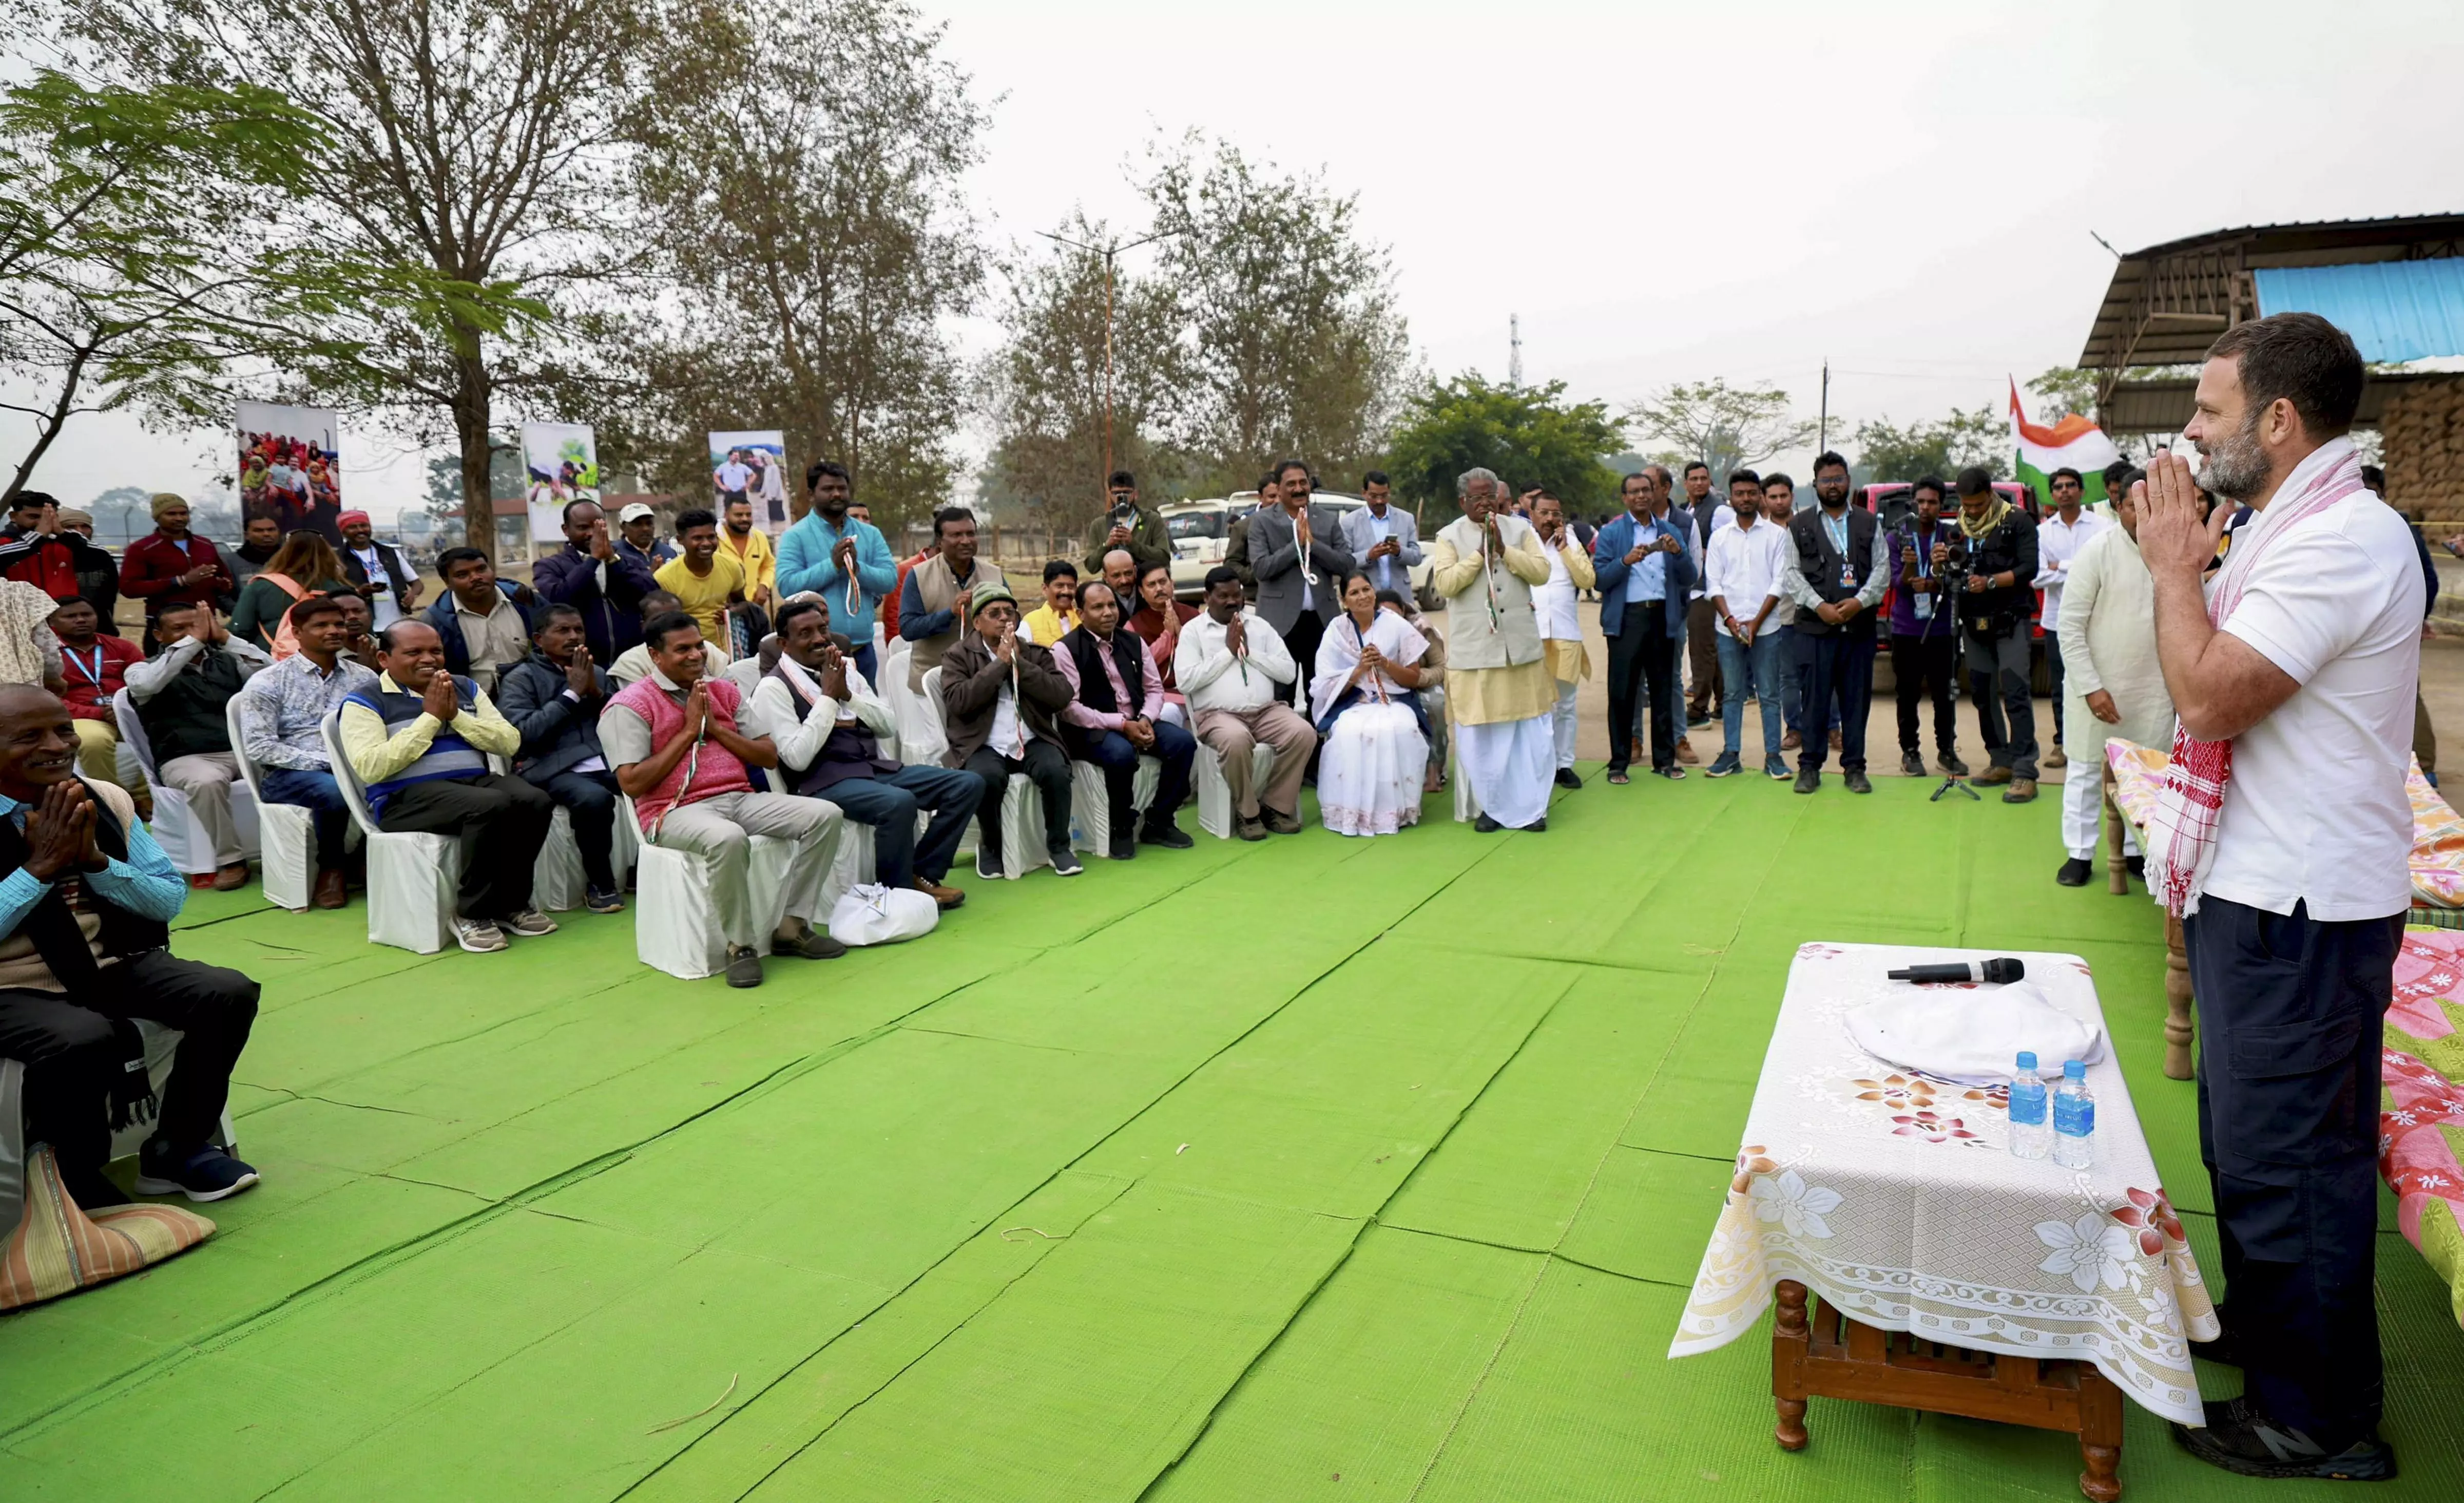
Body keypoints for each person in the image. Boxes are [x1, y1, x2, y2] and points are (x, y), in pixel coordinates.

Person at [2135, 313, 2414, 1480]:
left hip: (2300, 908)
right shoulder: (2285, 528)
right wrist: (2190, 566)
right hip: (2263, 893)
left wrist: (2167, 571)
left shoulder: (2338, 541)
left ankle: (2314, 1417)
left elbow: (2204, 698)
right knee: (2247, 1145)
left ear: (2277, 420)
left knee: (2291, 1161)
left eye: (2207, 412)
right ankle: (2269, 1346)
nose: (2192, 436)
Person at [0, 684, 261, 1206]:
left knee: (225, 990)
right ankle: (73, 1171)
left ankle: (177, 1147)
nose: (56, 745)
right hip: (9, 983)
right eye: (29, 736)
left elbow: (166, 899)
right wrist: (40, 868)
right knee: (80, 1037)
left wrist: (97, 861)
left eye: (63, 729)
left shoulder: (107, 797)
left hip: (107, 962)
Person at [606, 610, 847, 976]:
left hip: (740, 798)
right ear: (656, 656)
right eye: (682, 649)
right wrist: (688, 732)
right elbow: (633, 782)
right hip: (673, 810)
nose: (696, 656)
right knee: (728, 838)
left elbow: (768, 755)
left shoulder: (723, 690)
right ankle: (740, 945)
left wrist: (717, 730)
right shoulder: (631, 704)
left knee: (825, 815)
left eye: (699, 646)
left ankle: (792, 926)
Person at [339, 621, 557, 953]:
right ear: (384, 658)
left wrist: (456, 716)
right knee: (490, 804)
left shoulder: (465, 687)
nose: (429, 659)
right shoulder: (364, 701)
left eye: (435, 651)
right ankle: (472, 914)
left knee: (534, 800)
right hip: (403, 799)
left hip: (472, 783)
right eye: (414, 652)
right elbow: (371, 766)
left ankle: (512, 904)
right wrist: (430, 719)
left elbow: (510, 742)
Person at [749, 598, 978, 908]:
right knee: (898, 802)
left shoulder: (846, 670)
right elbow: (795, 758)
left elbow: (887, 727)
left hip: (871, 769)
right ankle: (897, 896)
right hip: (820, 783)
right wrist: (829, 699)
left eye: (822, 629)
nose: (819, 638)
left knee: (967, 784)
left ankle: (921, 874)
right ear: (784, 644)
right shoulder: (772, 688)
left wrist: (847, 694)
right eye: (805, 633)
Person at [2052, 472, 2169, 886]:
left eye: (2151, 503)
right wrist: (2091, 686)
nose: (2143, 513)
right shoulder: (2096, 551)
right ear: (2120, 507)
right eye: (2134, 504)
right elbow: (2069, 627)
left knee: (2145, 772)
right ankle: (2080, 853)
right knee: (2086, 771)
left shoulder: (2174, 554)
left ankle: (2137, 850)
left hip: (2154, 688)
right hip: (2097, 687)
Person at [1431, 468, 1556, 831]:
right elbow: (1446, 584)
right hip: (1476, 652)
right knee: (1481, 737)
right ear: (1463, 501)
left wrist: (1504, 550)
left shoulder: (1520, 529)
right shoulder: (1448, 536)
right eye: (1477, 498)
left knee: (1528, 734)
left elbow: (1542, 572)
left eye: (1491, 496)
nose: (1485, 503)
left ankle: (1533, 808)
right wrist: (1479, 555)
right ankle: (1493, 807)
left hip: (1520, 649)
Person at [238, 594, 378, 909]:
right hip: (290, 776)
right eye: (321, 626)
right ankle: (332, 867)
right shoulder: (268, 682)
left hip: (357, 766)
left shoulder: (364, 677)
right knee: (334, 790)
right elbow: (260, 747)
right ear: (297, 632)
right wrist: (325, 763)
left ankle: (363, 857)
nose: (334, 631)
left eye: (339, 624)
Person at [937, 583, 1081, 877]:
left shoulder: (1034, 653)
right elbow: (958, 702)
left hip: (1032, 737)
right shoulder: (958, 656)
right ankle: (991, 847)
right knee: (986, 778)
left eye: (1009, 612)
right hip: (983, 743)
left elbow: (1061, 696)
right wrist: (999, 665)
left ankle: (1059, 846)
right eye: (995, 613)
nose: (1004, 619)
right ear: (977, 622)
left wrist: (1021, 665)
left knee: (1055, 770)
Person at [493, 603, 625, 915]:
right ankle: (601, 883)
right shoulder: (520, 678)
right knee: (594, 799)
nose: (574, 636)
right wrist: (571, 695)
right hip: (549, 766)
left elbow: (622, 721)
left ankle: (642, 869)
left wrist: (596, 694)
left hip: (602, 760)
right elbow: (523, 734)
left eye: (578, 629)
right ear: (539, 639)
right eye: (563, 630)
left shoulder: (598, 672)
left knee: (658, 782)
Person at [127, 602, 268, 891]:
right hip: (187, 757)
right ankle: (231, 861)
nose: (194, 634)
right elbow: (147, 686)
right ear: (158, 635)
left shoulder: (227, 660)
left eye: (197, 625)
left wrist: (226, 639)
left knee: (290, 768)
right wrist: (194, 642)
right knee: (207, 782)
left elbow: (272, 676)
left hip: (241, 751)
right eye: (181, 629)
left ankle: (291, 849)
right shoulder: (142, 669)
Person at [1053, 580, 1197, 860]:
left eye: (1111, 605)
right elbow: (1069, 709)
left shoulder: (1133, 642)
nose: (1108, 612)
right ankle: (1121, 826)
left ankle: (1159, 820)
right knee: (1121, 755)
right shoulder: (1065, 650)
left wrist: (1146, 718)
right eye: (1097, 607)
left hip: (1137, 720)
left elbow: (1154, 689)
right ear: (1080, 614)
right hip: (1091, 729)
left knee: (1183, 743)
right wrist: (1121, 724)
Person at [1176, 566, 1317, 839]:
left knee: (1304, 734)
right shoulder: (1193, 632)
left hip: (1266, 712)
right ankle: (1248, 812)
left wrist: (1249, 653)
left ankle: (1276, 806)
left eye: (1237, 594)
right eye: (1223, 596)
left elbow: (1288, 672)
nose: (1232, 601)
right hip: (1217, 716)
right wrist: (1228, 653)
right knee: (1236, 740)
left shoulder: (1260, 627)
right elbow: (1186, 681)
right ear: (1207, 597)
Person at [1781, 453, 1890, 794]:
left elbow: (1883, 570)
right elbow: (1791, 574)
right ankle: (1809, 767)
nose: (1833, 485)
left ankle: (1855, 768)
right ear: (1815, 484)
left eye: (1839, 479)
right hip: (1815, 630)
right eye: (1826, 480)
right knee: (1813, 701)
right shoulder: (1798, 525)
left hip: (1858, 630)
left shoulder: (1869, 522)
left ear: (1849, 482)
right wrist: (1820, 606)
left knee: (1856, 703)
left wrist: (1860, 601)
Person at [1589, 470, 1694, 784]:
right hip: (1627, 619)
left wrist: (1677, 552)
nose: (1641, 496)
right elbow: (1600, 579)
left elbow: (1689, 577)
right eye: (1633, 492)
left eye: (1646, 490)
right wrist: (1625, 562)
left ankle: (1665, 761)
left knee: (1663, 690)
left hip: (1662, 616)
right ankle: (1619, 763)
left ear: (1655, 493)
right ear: (1624, 498)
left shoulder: (1670, 529)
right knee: (1623, 692)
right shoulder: (1612, 533)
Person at [1308, 571, 1429, 835]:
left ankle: (1394, 811)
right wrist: (1360, 669)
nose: (1362, 596)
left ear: (1374, 592)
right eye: (1354, 593)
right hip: (1354, 703)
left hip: (1393, 699)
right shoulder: (1336, 631)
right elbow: (1324, 685)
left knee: (1397, 728)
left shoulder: (1395, 624)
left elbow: (1413, 678)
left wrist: (1385, 663)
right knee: (1351, 733)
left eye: (1366, 589)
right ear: (1344, 601)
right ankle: (1352, 812)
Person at [1948, 466, 2042, 802]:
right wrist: (1940, 563)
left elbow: (2030, 568)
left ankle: (2025, 769)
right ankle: (1999, 759)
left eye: (1977, 504)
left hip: (2011, 618)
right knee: (1982, 694)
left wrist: (1990, 581)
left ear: (1990, 493)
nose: (1972, 511)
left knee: (2016, 690)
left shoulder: (2018, 521)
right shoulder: (1958, 527)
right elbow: (1951, 573)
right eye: (1966, 505)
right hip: (1974, 622)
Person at [1702, 472, 1792, 779]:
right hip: (1726, 627)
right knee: (1732, 694)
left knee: (1769, 694)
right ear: (1731, 497)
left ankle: (1773, 757)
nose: (1746, 499)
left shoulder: (1777, 535)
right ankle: (1731, 754)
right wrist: (1730, 620)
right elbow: (1713, 583)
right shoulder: (1720, 537)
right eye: (1740, 493)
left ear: (1761, 497)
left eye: (1752, 493)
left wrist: (1756, 621)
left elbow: (1780, 581)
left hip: (1767, 628)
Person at [1249, 459, 1357, 707]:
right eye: (1291, 484)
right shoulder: (1262, 521)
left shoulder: (1326, 520)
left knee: (1321, 692)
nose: (1299, 489)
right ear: (1278, 488)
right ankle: (1287, 745)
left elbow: (1347, 565)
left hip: (1321, 620)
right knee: (1281, 695)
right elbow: (1261, 569)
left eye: (1303, 482)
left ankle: (1319, 746)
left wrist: (1314, 545)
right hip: (1280, 623)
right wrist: (1296, 544)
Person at [774, 461, 895, 681]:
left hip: (863, 650)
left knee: (867, 715)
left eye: (842, 488)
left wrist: (857, 568)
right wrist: (832, 566)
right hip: (815, 654)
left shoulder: (870, 534)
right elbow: (787, 586)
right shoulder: (795, 536)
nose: (837, 494)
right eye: (828, 489)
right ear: (812, 494)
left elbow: (889, 580)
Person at [1884, 478, 1967, 779]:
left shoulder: (1952, 536)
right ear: (1913, 503)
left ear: (1941, 505)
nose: (1925, 507)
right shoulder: (1898, 538)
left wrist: (1938, 575)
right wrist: (1910, 570)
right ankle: (1910, 751)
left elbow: (1958, 579)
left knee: (1945, 694)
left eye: (1932, 502)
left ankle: (1947, 750)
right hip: (1906, 629)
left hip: (1943, 629)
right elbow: (1897, 582)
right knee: (1907, 694)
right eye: (1920, 502)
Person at [2033, 466, 2109, 771]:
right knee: (2062, 684)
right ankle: (2063, 743)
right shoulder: (2043, 532)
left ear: (2081, 491)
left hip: (2098, 620)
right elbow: (2038, 577)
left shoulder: (2102, 527)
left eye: (2070, 485)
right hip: (2057, 621)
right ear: (2052, 494)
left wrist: (2061, 566)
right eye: (2059, 486)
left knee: (2100, 682)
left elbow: (2105, 569)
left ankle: (2102, 742)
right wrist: (2080, 569)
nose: (2065, 490)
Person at [532, 498, 658, 667]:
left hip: (631, 662)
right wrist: (593, 560)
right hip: (582, 664)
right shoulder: (549, 565)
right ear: (566, 530)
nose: (592, 533)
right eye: (583, 527)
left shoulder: (627, 561)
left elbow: (651, 593)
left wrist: (613, 561)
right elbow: (560, 596)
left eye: (598, 526)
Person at [897, 508, 1007, 694]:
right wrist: (950, 613)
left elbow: (1012, 621)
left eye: (971, 534)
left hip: (985, 681)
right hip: (931, 683)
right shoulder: (918, 575)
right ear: (940, 541)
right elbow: (908, 629)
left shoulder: (993, 575)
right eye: (956, 535)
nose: (966, 541)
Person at [1527, 491, 1593, 789]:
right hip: (1530, 633)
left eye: (1556, 514)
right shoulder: (1521, 540)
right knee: (1536, 705)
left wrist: (1567, 550)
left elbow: (1587, 581)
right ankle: (1537, 764)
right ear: (1532, 514)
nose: (1550, 519)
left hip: (1565, 633)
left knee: (1565, 704)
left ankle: (1563, 764)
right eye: (1544, 513)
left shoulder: (1571, 541)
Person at [48, 596, 141, 790]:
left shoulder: (123, 647)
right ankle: (112, 799)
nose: (81, 620)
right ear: (52, 622)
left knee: (165, 732)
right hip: (82, 716)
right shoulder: (46, 655)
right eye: (71, 616)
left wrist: (126, 708)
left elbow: (144, 683)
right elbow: (49, 699)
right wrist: (98, 713)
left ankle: (145, 798)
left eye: (86, 614)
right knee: (93, 742)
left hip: (127, 710)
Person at [421, 546, 536, 691]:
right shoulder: (435, 621)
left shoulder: (524, 601)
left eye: (482, 569)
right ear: (447, 582)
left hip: (530, 698)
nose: (476, 577)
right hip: (471, 703)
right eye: (463, 575)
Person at [118, 493, 233, 623]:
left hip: (205, 621)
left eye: (184, 513)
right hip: (165, 623)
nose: (179, 518)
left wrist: (219, 583)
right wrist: (180, 581)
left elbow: (226, 578)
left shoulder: (205, 544)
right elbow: (129, 588)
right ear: (157, 517)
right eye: (171, 514)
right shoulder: (142, 548)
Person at [231, 529, 351, 653]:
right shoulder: (342, 589)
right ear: (327, 553)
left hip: (273, 659)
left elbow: (239, 629)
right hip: (330, 658)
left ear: (284, 552)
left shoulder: (260, 586)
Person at [652, 509, 746, 667]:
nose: (706, 543)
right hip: (685, 657)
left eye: (711, 537)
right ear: (680, 540)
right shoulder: (664, 577)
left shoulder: (732, 567)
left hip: (725, 653)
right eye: (697, 538)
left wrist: (731, 613)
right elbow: (661, 627)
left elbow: (743, 604)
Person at [1677, 461, 1724, 728]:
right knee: (1710, 651)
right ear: (1686, 484)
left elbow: (1729, 546)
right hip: (1692, 589)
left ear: (1710, 480)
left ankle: (1698, 708)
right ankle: (1723, 704)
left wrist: (1706, 553)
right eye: (1693, 479)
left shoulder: (1719, 511)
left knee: (1701, 650)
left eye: (1703, 478)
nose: (1698, 483)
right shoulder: (1690, 510)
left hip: (1707, 590)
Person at [1128, 560, 1197, 726]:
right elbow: (1141, 666)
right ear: (1141, 592)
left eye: (1163, 582)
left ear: (1172, 584)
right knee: (1168, 713)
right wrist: (1167, 635)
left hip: (1197, 691)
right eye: (1151, 585)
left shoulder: (1194, 616)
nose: (1159, 589)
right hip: (1163, 696)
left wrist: (1181, 633)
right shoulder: (1132, 626)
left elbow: (1205, 655)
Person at [1339, 469, 1422, 603]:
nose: (1379, 501)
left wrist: (1399, 552)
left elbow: (1417, 557)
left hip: (1401, 598)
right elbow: (1344, 561)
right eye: (1374, 496)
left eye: (1384, 496)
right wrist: (1369, 556)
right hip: (1367, 599)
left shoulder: (1406, 519)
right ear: (1364, 493)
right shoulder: (1349, 523)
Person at [335, 510, 419, 630]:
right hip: (363, 628)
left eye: (364, 526)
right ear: (343, 532)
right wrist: (359, 592)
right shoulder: (337, 559)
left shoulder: (390, 553)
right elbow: (333, 595)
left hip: (397, 625)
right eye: (353, 527)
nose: (360, 530)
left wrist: (412, 595)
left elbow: (417, 583)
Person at [1080, 470, 1170, 577]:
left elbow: (1164, 558)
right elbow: (1091, 567)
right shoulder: (1099, 525)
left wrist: (1133, 544)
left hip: (1145, 586)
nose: (1121, 497)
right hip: (1113, 589)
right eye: (1116, 493)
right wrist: (1107, 545)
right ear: (1109, 495)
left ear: (1135, 494)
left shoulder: (1152, 520)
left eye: (1127, 493)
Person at [607, 591, 684, 690]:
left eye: (676, 618)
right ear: (643, 625)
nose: (670, 625)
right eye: (660, 620)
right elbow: (638, 702)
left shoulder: (706, 650)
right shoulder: (631, 662)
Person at [720, 495, 778, 608]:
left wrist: (764, 586)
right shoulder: (713, 539)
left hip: (754, 607)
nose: (745, 519)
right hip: (723, 610)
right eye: (739, 515)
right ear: (726, 515)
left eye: (749, 515)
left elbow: (769, 565)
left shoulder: (759, 537)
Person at [1020, 559, 1081, 647]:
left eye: (1071, 587)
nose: (1066, 592)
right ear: (1045, 589)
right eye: (1060, 586)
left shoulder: (1083, 619)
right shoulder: (1030, 623)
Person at [227, 510, 282, 596]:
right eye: (259, 531)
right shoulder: (230, 562)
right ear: (246, 535)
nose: (266, 534)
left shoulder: (292, 559)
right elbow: (224, 596)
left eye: (271, 530)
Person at [616, 502, 677, 573]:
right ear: (623, 528)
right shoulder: (615, 555)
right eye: (637, 524)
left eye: (649, 523)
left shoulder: (668, 552)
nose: (645, 529)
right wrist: (650, 576)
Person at [333, 591, 382, 672]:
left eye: (358, 611)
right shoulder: (324, 657)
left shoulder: (390, 648)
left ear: (370, 615)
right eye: (343, 613)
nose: (352, 617)